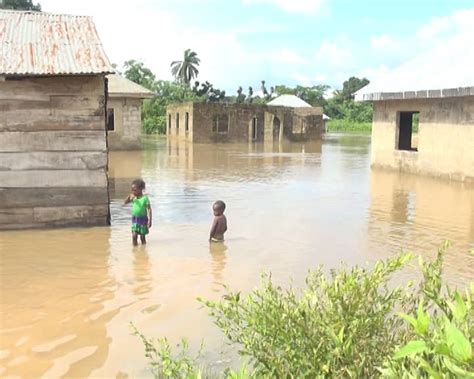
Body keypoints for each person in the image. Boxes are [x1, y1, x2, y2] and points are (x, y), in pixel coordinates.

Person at [124, 178, 152, 246]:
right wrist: (129, 197)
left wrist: (150, 220)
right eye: (132, 190)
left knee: (142, 237)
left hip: (143, 220)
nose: (133, 191)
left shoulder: (145, 198)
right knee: (134, 236)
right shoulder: (134, 197)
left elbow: (149, 209)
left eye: (135, 190)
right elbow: (125, 202)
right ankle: (135, 250)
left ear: (141, 189)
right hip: (135, 219)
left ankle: (143, 250)